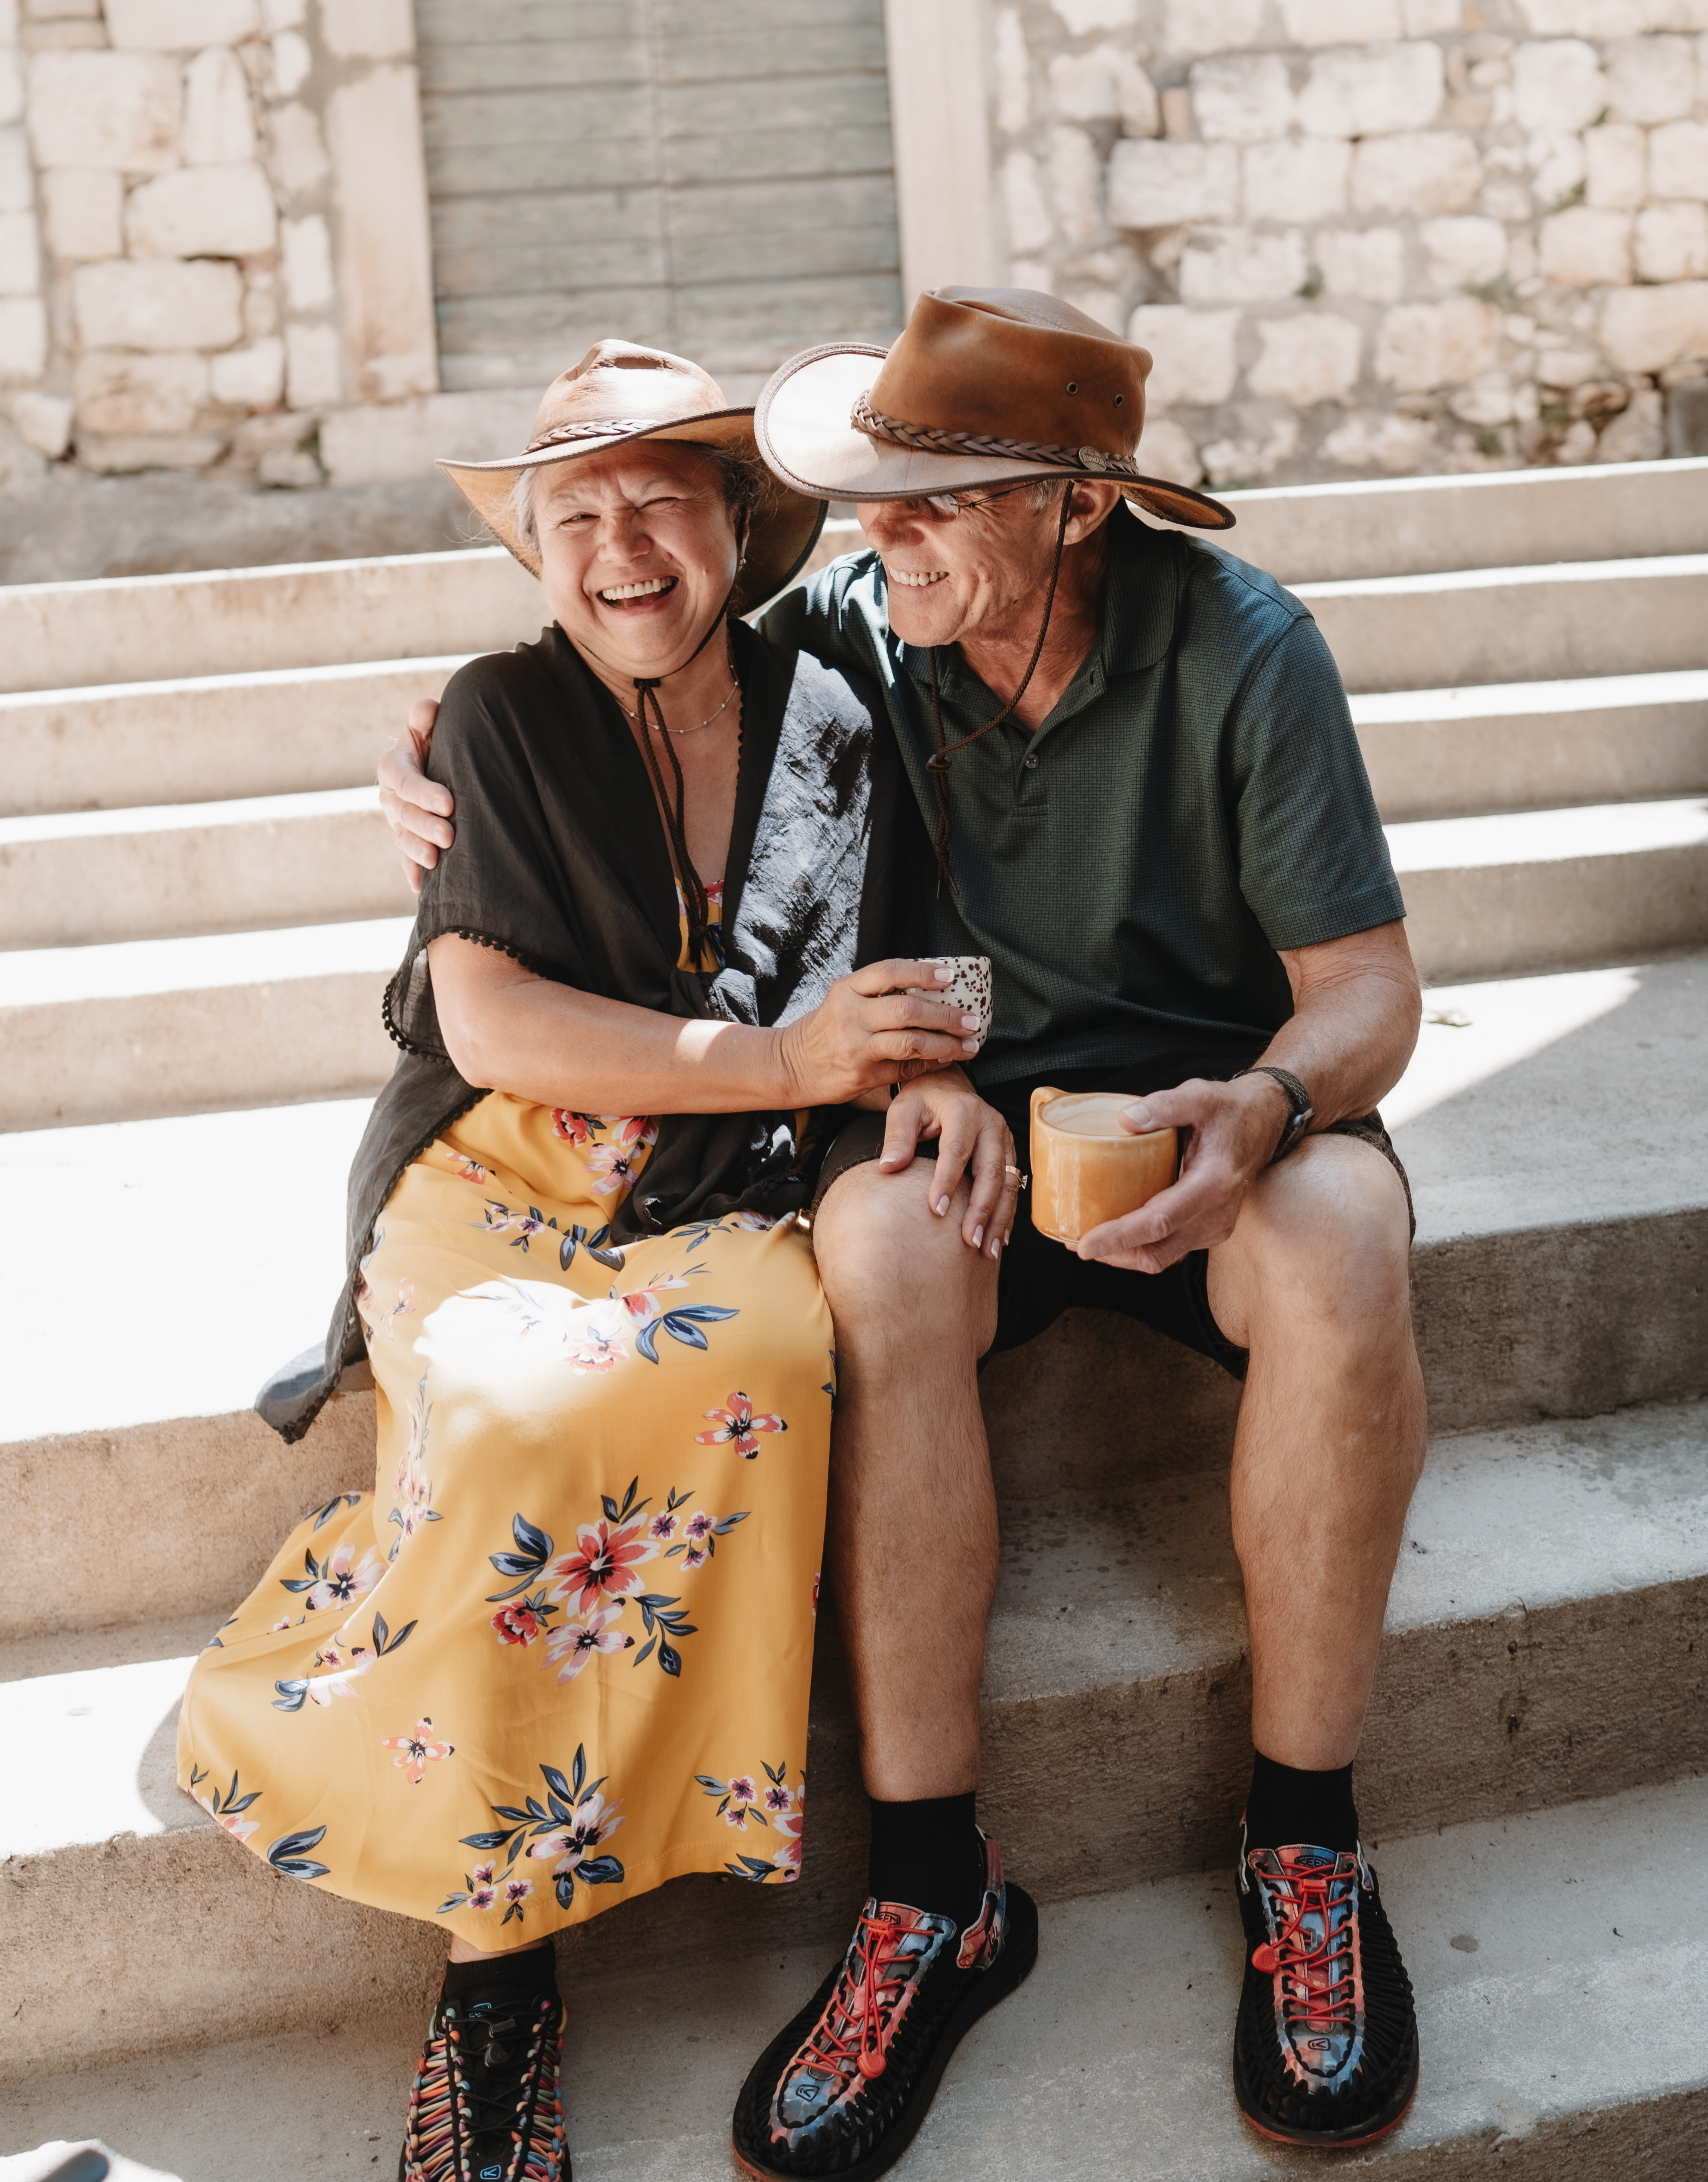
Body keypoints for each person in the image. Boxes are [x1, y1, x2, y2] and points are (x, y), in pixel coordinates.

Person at [380, 291, 1429, 2165]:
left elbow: (1366, 992)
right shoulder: (859, 623)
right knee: (867, 1253)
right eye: (870, 501)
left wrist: (1261, 1105)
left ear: (1079, 510)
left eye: (934, 504)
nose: (883, 538)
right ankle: (934, 1886)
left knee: (1347, 1229)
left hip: (1211, 1125)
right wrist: (425, 773)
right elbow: (639, 658)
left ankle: (1307, 1841)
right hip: (965, 1134)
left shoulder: (1247, 650)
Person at [178, 340, 1028, 2182]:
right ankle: (499, 1983)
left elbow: (923, 945)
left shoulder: (836, 713)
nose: (622, 544)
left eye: (661, 498)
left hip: (726, 1187)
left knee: (749, 1363)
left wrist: (942, 1066)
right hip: (499, 1167)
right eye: (578, 511)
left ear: (735, 521)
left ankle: (829, 1898)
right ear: (539, 552)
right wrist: (780, 1058)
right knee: (500, 1409)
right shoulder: (491, 712)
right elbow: (482, 1016)